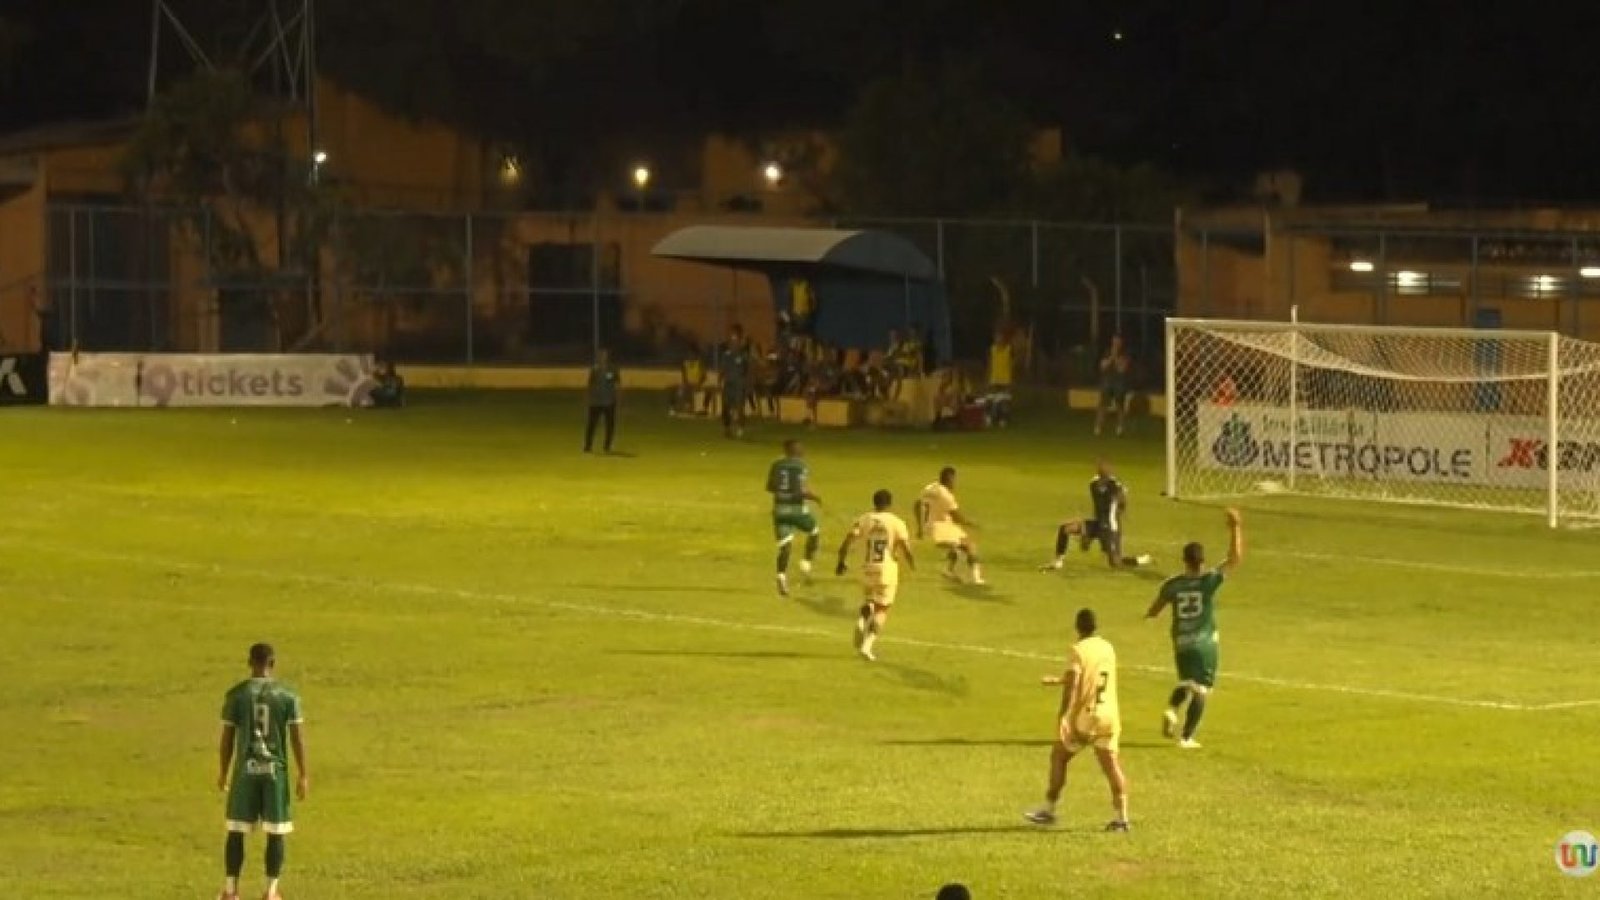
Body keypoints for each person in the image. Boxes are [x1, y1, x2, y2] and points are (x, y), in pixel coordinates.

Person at [1023, 608, 1130, 832]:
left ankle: (1049, 810)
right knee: (1111, 766)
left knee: (1059, 756)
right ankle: (1122, 818)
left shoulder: (1077, 650)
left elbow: (1076, 682)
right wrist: (1060, 680)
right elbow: (1095, 676)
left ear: (1077, 627)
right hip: (1109, 715)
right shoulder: (1107, 647)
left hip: (1086, 716)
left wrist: (1064, 715)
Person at [1146, 509, 1245, 749]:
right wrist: (1236, 527)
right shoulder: (1208, 581)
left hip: (1180, 642)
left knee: (1186, 682)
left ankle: (1171, 710)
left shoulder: (1172, 584)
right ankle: (1186, 737)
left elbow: (1154, 610)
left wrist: (1149, 616)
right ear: (1202, 561)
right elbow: (1234, 559)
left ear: (1184, 560)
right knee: (1202, 689)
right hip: (1204, 643)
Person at [216, 643, 308, 900]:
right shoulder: (288, 696)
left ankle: (231, 890)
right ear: (273, 663)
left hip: (245, 771)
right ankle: (270, 892)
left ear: (249, 662)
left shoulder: (236, 695)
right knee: (276, 831)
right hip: (275, 773)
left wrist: (223, 772)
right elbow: (297, 737)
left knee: (236, 829)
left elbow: (227, 738)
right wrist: (303, 773)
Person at [836, 488, 915, 662]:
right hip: (886, 570)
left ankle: (863, 618)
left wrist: (841, 560)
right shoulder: (896, 522)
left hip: (866, 568)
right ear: (890, 503)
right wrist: (911, 562)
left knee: (870, 600)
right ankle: (867, 645)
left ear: (874, 502)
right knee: (882, 608)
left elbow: (849, 538)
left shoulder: (863, 519)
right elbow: (904, 545)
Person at [1041, 460, 1153, 571]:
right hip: (1097, 523)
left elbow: (1122, 501)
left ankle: (1142, 560)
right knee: (1065, 528)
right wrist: (1085, 532)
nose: (1104, 473)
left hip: (1110, 528)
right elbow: (1098, 505)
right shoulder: (1093, 484)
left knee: (1115, 563)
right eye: (1101, 470)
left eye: (1106, 471)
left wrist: (1120, 508)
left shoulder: (1115, 486)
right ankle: (1058, 561)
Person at [766, 439, 823, 596]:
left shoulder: (776, 465)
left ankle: (781, 575)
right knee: (814, 530)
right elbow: (802, 490)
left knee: (785, 546)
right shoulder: (801, 466)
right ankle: (806, 563)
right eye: (801, 448)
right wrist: (815, 497)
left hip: (779, 510)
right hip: (797, 509)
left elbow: (770, 487)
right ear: (795, 450)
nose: (803, 451)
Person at [914, 466, 984, 585]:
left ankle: (949, 570)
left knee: (959, 547)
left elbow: (917, 504)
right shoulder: (946, 496)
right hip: (942, 526)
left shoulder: (930, 488)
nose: (955, 483)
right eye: (954, 479)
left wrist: (920, 526)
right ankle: (975, 578)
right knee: (969, 546)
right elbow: (956, 517)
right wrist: (970, 523)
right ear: (950, 478)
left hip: (933, 525)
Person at [583, 347, 620, 453]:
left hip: (609, 402)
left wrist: (618, 398)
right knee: (591, 424)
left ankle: (607, 446)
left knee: (610, 425)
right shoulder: (594, 370)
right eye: (601, 355)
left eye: (604, 355)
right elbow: (590, 385)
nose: (603, 357)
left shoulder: (613, 369)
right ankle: (588, 446)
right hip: (596, 402)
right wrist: (588, 398)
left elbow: (617, 385)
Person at [718, 325, 752, 438]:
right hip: (728, 384)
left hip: (739, 384)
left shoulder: (744, 355)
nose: (733, 341)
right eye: (731, 338)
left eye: (735, 338)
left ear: (740, 339)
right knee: (725, 407)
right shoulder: (726, 354)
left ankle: (740, 429)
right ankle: (726, 428)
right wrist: (720, 381)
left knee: (739, 407)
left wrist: (747, 385)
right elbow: (722, 369)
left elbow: (749, 371)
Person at [1095, 335, 1132, 437]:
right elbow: (1102, 367)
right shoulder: (1106, 353)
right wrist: (1111, 357)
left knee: (1120, 406)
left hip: (1119, 383)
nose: (1116, 344)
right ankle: (1098, 427)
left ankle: (1120, 428)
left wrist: (1116, 359)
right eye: (1114, 342)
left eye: (1118, 342)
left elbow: (1122, 369)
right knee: (1103, 405)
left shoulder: (1125, 354)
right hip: (1107, 382)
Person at [985, 328, 1014, 427]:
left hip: (1005, 379)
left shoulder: (1009, 349)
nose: (998, 339)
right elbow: (989, 364)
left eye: (1000, 337)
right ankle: (989, 418)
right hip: (994, 378)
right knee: (991, 399)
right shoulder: (992, 349)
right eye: (997, 337)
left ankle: (1003, 419)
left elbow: (1013, 362)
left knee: (1004, 400)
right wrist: (988, 377)